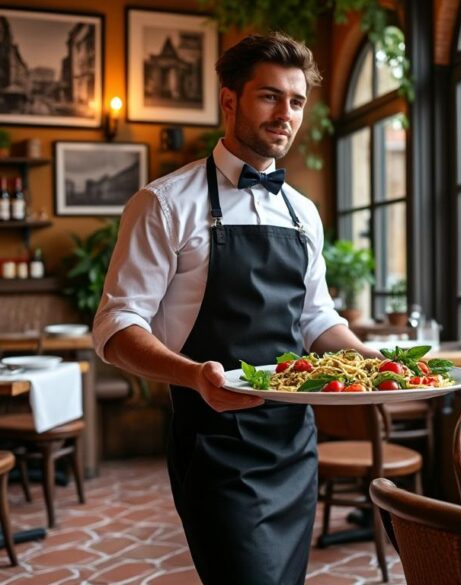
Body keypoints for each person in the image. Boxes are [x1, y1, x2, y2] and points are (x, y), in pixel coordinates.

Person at [92, 33, 378, 585]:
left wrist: (374, 364)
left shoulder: (303, 213)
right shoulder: (163, 203)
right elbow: (117, 325)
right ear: (230, 101)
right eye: (270, 97)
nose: (286, 115)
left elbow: (316, 319)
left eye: (296, 102)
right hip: (214, 443)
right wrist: (194, 375)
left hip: (294, 441)